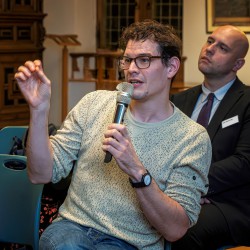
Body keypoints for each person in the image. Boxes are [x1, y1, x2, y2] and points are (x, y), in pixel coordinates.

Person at [15, 20, 211, 250]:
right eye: (127, 60)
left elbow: (175, 229)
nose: (131, 69)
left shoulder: (192, 138)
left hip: (132, 243)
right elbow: (40, 174)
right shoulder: (93, 103)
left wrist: (137, 171)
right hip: (72, 229)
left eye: (144, 60)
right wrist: (39, 110)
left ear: (172, 67)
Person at [171, 25, 250, 249]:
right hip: (176, 194)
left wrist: (194, 186)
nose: (209, 49)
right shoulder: (178, 101)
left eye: (222, 48)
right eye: (209, 41)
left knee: (181, 231)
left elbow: (244, 163)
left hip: (229, 201)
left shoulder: (247, 102)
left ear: (238, 64)